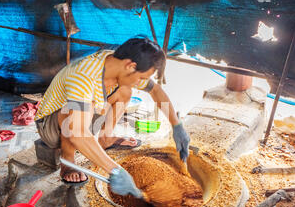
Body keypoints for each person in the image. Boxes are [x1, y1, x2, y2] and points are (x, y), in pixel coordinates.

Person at [34, 38, 190, 198]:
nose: (142, 82)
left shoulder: (115, 63)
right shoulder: (83, 77)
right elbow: (78, 131)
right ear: (130, 66)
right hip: (50, 127)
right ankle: (68, 161)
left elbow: (155, 91)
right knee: (74, 110)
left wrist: (176, 125)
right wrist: (115, 170)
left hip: (82, 119)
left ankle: (105, 138)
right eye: (142, 77)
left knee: (125, 91)